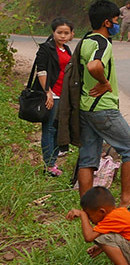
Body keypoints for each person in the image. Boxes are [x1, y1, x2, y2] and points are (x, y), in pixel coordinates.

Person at [74, 0, 130, 210]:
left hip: (86, 106)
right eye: (115, 20)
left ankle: (87, 207)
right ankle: (127, 198)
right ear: (107, 22)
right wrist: (105, 83)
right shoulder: (102, 43)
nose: (117, 24)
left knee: (88, 158)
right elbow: (94, 65)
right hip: (103, 108)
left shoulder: (86, 40)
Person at [65, 186, 130, 265]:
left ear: (102, 211)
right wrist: (100, 247)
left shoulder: (112, 218)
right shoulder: (118, 213)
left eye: (90, 216)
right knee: (103, 236)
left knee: (103, 238)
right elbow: (121, 236)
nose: (90, 220)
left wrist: (83, 215)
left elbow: (89, 237)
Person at [33, 17, 74, 177]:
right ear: (53, 32)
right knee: (49, 128)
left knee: (57, 128)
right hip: (52, 94)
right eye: (59, 32)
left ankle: (54, 160)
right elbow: (41, 70)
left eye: (66, 33)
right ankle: (49, 165)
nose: (62, 36)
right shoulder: (46, 48)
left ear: (72, 34)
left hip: (64, 95)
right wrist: (47, 92)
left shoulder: (67, 49)